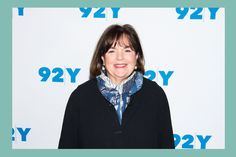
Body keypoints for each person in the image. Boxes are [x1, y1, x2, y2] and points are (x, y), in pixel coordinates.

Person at [58, 24, 175, 148]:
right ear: (102, 57)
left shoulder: (155, 95)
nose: (120, 57)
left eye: (127, 50)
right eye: (112, 51)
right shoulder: (80, 97)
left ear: (137, 56)